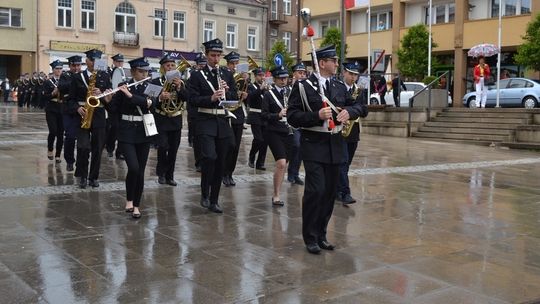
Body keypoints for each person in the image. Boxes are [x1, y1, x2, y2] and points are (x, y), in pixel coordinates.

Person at [287, 45, 365, 254]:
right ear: (322, 63)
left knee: (330, 193)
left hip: (336, 145)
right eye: (334, 61)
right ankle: (310, 237)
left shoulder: (339, 86)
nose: (337, 65)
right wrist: (316, 116)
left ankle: (321, 234)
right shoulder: (303, 86)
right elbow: (292, 116)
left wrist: (349, 112)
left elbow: (360, 107)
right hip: (313, 144)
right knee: (316, 190)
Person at [187, 38, 237, 213]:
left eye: (218, 55)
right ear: (206, 55)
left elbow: (234, 98)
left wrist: (227, 91)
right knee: (209, 157)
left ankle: (214, 199)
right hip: (205, 121)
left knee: (222, 160)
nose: (216, 59)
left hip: (222, 121)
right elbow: (191, 99)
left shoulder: (226, 74)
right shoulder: (196, 75)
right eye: (213, 55)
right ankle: (204, 192)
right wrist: (211, 98)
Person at [109, 57, 155, 219]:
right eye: (141, 71)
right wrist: (107, 97)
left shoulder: (151, 86)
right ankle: (129, 198)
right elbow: (114, 109)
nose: (144, 74)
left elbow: (150, 103)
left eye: (146, 71)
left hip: (143, 132)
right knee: (133, 168)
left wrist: (129, 95)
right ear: (134, 71)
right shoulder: (123, 86)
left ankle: (136, 205)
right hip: (126, 132)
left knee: (140, 171)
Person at [68, 49, 113, 188]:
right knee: (83, 147)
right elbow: (70, 99)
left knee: (98, 148)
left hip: (99, 114)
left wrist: (103, 93)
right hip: (83, 114)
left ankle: (93, 177)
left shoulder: (105, 76)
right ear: (86, 61)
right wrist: (76, 108)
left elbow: (110, 98)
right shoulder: (77, 77)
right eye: (91, 60)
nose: (94, 63)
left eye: (97, 60)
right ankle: (82, 175)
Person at [152, 54, 187, 186]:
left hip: (175, 119)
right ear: (162, 68)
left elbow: (187, 98)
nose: (171, 68)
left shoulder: (181, 82)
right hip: (162, 118)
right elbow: (151, 101)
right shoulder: (156, 82)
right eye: (168, 66)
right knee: (162, 147)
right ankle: (161, 172)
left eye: (173, 65)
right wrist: (160, 97)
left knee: (173, 149)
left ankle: (170, 175)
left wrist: (179, 88)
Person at [336, 62, 369, 205]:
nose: (353, 77)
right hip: (340, 129)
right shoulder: (337, 88)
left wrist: (359, 109)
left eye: (356, 75)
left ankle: (337, 189)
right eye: (351, 74)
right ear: (344, 73)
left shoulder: (359, 91)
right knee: (342, 161)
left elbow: (364, 110)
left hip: (353, 130)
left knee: (346, 163)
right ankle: (345, 193)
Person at [262, 65, 294, 206]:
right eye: (280, 78)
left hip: (288, 131)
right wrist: (278, 115)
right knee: (280, 163)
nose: (283, 80)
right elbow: (264, 115)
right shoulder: (269, 95)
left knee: (284, 165)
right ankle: (276, 195)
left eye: (285, 78)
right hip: (273, 131)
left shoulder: (291, 93)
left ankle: (277, 192)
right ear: (274, 79)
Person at [223, 51, 247, 187]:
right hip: (227, 114)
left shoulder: (243, 78)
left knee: (236, 146)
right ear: (228, 64)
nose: (235, 66)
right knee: (229, 145)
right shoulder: (225, 75)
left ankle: (229, 173)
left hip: (238, 113)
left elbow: (245, 98)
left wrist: (244, 95)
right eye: (232, 63)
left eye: (237, 63)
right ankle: (223, 172)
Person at [60, 55, 82, 172]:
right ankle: (69, 161)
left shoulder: (83, 76)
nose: (76, 67)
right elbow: (61, 87)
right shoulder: (65, 75)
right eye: (74, 65)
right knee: (70, 136)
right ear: (70, 66)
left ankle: (81, 162)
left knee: (82, 139)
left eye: (78, 65)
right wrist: (75, 81)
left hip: (80, 109)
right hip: (68, 111)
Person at [287, 63, 307, 186]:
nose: (302, 75)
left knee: (300, 148)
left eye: (303, 73)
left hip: (301, 122)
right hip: (290, 123)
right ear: (294, 74)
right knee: (296, 145)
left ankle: (295, 174)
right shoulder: (289, 88)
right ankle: (291, 173)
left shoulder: (305, 87)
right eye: (299, 72)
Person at [42, 60, 65, 163]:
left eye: (60, 69)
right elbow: (44, 96)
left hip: (62, 109)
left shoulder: (65, 81)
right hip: (51, 109)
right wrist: (52, 94)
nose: (59, 71)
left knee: (61, 133)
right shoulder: (48, 82)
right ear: (53, 70)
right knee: (53, 131)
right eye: (57, 69)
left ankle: (58, 155)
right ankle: (50, 149)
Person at [247, 67, 269, 171]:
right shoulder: (251, 86)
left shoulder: (266, 88)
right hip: (255, 115)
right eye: (260, 75)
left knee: (265, 141)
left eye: (263, 75)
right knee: (258, 139)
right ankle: (252, 155)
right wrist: (260, 89)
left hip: (265, 116)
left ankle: (260, 163)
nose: (262, 77)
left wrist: (266, 89)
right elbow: (250, 97)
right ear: (255, 76)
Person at [188, 53, 207, 172]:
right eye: (200, 65)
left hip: (205, 111)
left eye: (203, 65)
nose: (202, 67)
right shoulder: (193, 77)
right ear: (196, 65)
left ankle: (205, 160)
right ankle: (199, 162)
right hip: (195, 112)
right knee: (197, 139)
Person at [106, 53, 127, 160]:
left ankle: (120, 152)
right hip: (112, 101)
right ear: (114, 62)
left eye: (121, 62)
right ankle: (109, 148)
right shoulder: (109, 72)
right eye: (118, 61)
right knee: (114, 127)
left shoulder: (123, 74)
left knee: (122, 128)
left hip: (122, 102)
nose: (120, 63)